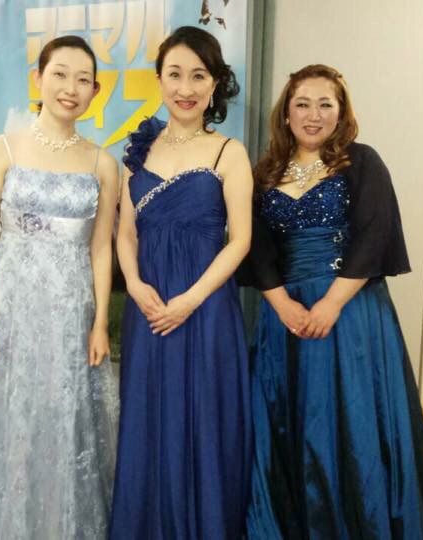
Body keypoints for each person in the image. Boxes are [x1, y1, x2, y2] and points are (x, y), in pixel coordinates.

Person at [242, 64, 423, 539]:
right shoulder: (265, 173)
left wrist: (331, 304)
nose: (314, 115)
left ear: (341, 113)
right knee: (290, 423)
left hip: (350, 312)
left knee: (351, 424)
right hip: (286, 316)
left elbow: (374, 235)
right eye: (303, 104)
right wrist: (281, 306)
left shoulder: (361, 162)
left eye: (326, 104)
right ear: (286, 113)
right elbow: (257, 249)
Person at [0, 36, 120, 539]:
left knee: (65, 424)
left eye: (83, 79)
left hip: (71, 319)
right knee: (10, 424)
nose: (71, 88)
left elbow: (101, 250)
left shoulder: (102, 164)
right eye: (60, 74)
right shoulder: (0, 150)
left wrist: (99, 324)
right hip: (10, 315)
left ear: (95, 91)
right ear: (38, 78)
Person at [110, 25, 253, 539]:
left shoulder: (228, 152)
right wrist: (133, 282)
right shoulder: (138, 153)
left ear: (214, 84)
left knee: (205, 416)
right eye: (175, 74)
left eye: (198, 76)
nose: (185, 88)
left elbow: (240, 241)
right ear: (159, 80)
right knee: (149, 416)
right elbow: (125, 234)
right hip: (148, 306)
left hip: (206, 307)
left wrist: (190, 300)